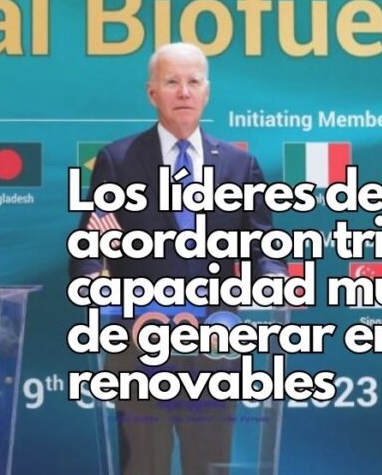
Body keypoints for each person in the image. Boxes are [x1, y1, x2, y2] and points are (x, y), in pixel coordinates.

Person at [69, 42, 286, 475]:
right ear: (152, 93)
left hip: (215, 341)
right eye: (172, 82)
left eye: (193, 82)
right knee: (144, 465)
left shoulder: (240, 165)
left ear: (207, 92)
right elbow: (88, 251)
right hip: (138, 342)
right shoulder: (118, 160)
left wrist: (275, 276)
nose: (184, 91)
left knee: (208, 464)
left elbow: (263, 246)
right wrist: (94, 275)